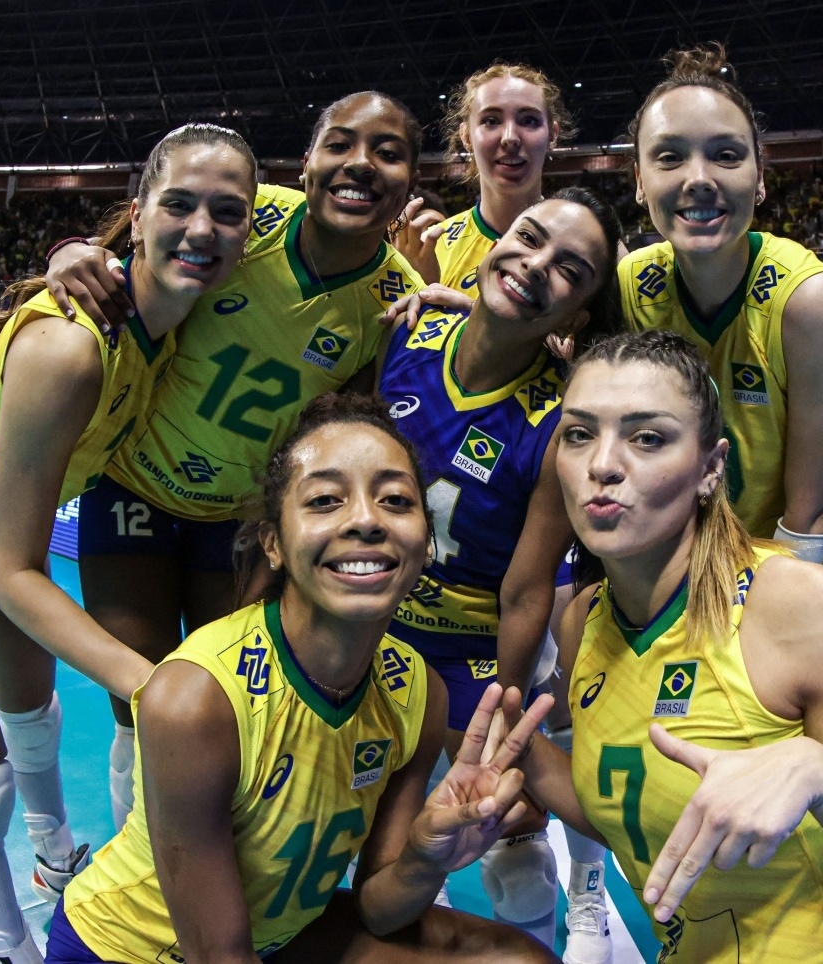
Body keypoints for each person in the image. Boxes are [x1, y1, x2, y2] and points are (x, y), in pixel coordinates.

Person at [47, 393, 558, 964]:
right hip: (131, 952)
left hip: (283, 933)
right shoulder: (196, 699)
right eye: (324, 500)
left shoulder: (417, 689)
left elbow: (377, 909)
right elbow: (219, 956)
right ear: (273, 542)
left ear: (425, 540)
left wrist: (425, 857)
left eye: (394, 499)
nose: (365, 520)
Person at [0, 123, 258, 964]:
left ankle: (58, 857)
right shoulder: (71, 348)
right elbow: (12, 569)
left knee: (35, 720)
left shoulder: (171, 321)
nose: (203, 229)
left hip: (4, 532)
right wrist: (155, 687)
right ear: (135, 217)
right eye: (179, 205)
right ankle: (10, 949)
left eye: (228, 212)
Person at [496, 329, 823, 962]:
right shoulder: (582, 625)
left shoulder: (800, 606)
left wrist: (822, 776)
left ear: (711, 469)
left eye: (647, 436)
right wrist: (509, 751)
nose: (603, 463)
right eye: (579, 434)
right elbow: (631, 808)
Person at [44, 91, 424, 832]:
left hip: (242, 521)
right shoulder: (245, 213)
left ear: (412, 180)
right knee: (138, 704)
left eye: (388, 151)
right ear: (308, 159)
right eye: (340, 143)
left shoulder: (394, 307)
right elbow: (136, 241)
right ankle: (142, 866)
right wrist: (68, 249)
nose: (359, 164)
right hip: (136, 490)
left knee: (230, 701)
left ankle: (231, 857)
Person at [378, 187, 622, 952]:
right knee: (368, 836)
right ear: (491, 239)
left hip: (467, 650)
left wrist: (499, 712)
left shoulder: (556, 424)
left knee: (514, 850)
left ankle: (566, 913)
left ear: (576, 315)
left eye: (569, 269)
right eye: (528, 237)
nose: (534, 265)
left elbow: (525, 590)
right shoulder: (405, 333)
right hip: (368, 636)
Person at [618, 43, 823, 603]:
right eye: (669, 157)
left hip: (813, 568)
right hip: (701, 569)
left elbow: (808, 517)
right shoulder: (630, 285)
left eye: (726, 155)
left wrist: (757, 620)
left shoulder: (807, 301)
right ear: (638, 181)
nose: (698, 178)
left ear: (760, 178)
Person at [394, 63, 574, 292]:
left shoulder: (590, 248)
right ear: (466, 136)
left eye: (529, 120)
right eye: (491, 121)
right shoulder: (428, 248)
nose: (510, 138)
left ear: (553, 134)